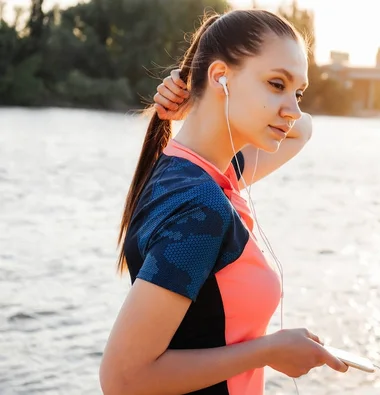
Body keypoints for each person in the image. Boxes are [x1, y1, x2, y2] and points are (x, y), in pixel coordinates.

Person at [99, 8, 348, 395]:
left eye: (297, 92)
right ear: (221, 76)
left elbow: (303, 129)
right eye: (276, 83)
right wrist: (267, 351)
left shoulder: (194, 173)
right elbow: (124, 379)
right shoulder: (200, 206)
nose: (293, 108)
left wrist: (197, 99)